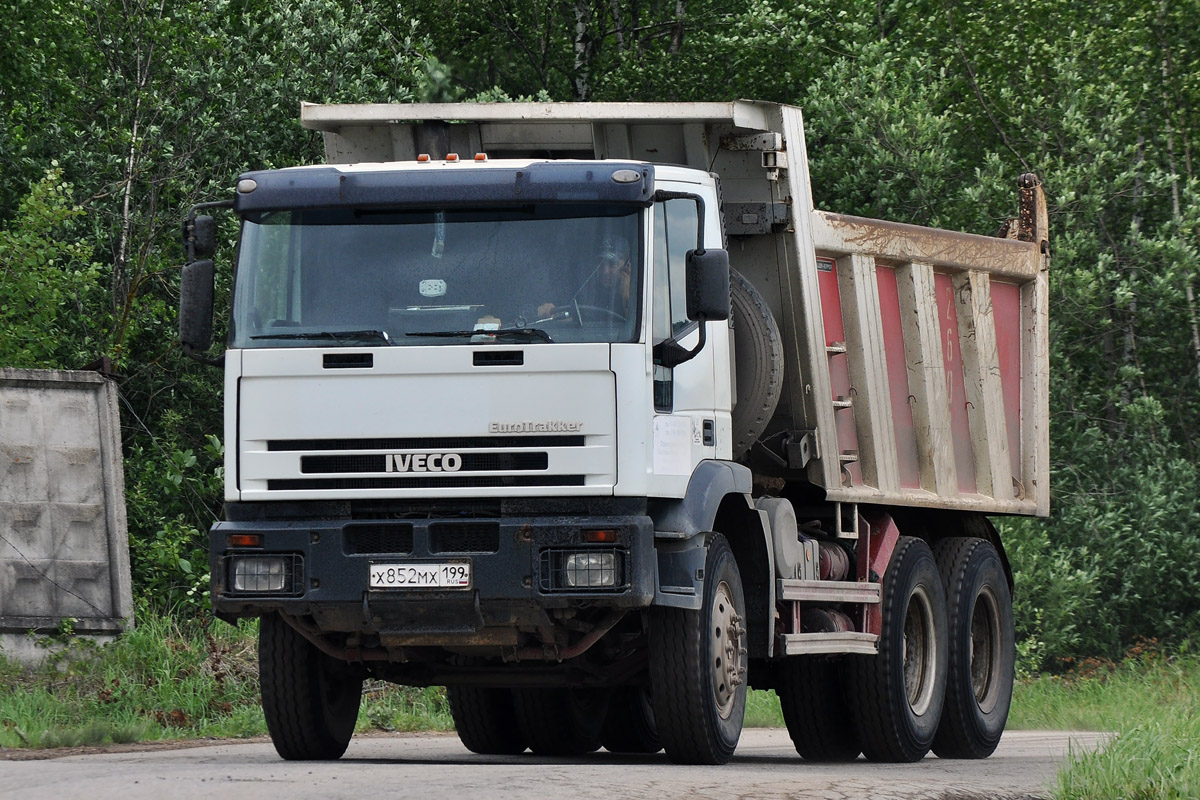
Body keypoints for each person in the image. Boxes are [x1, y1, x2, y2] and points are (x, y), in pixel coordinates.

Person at [537, 236, 632, 322]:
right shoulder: (587, 291)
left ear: (627, 266)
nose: (605, 271)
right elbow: (579, 319)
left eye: (612, 264)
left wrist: (626, 297)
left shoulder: (641, 295)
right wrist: (550, 310)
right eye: (599, 264)